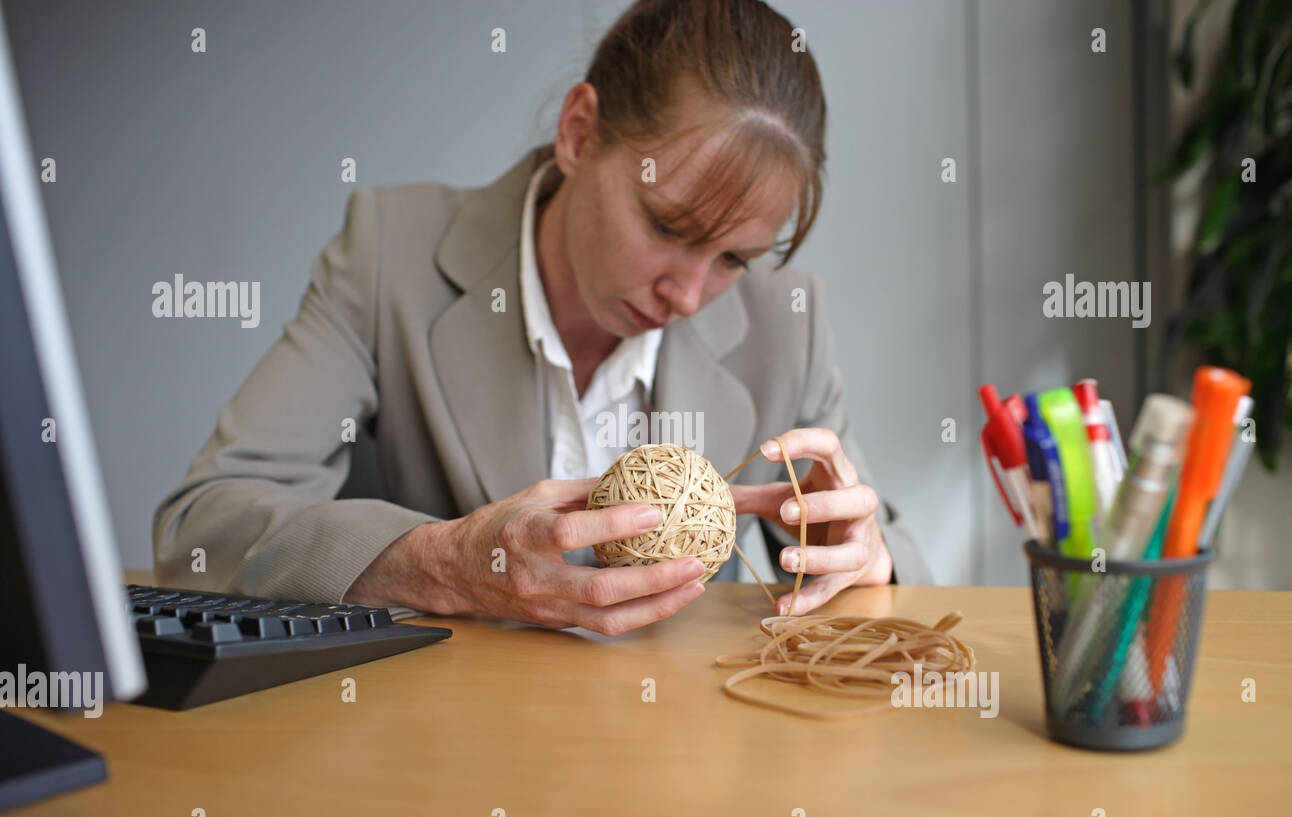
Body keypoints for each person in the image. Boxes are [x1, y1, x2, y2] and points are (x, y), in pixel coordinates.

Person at [152, 0, 933, 636]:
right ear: (579, 133)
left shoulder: (783, 323)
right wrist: (444, 561)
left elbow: (900, 562)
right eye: (667, 226)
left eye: (734, 259)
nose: (688, 297)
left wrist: (863, 562)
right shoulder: (389, 254)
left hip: (689, 776)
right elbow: (200, 527)